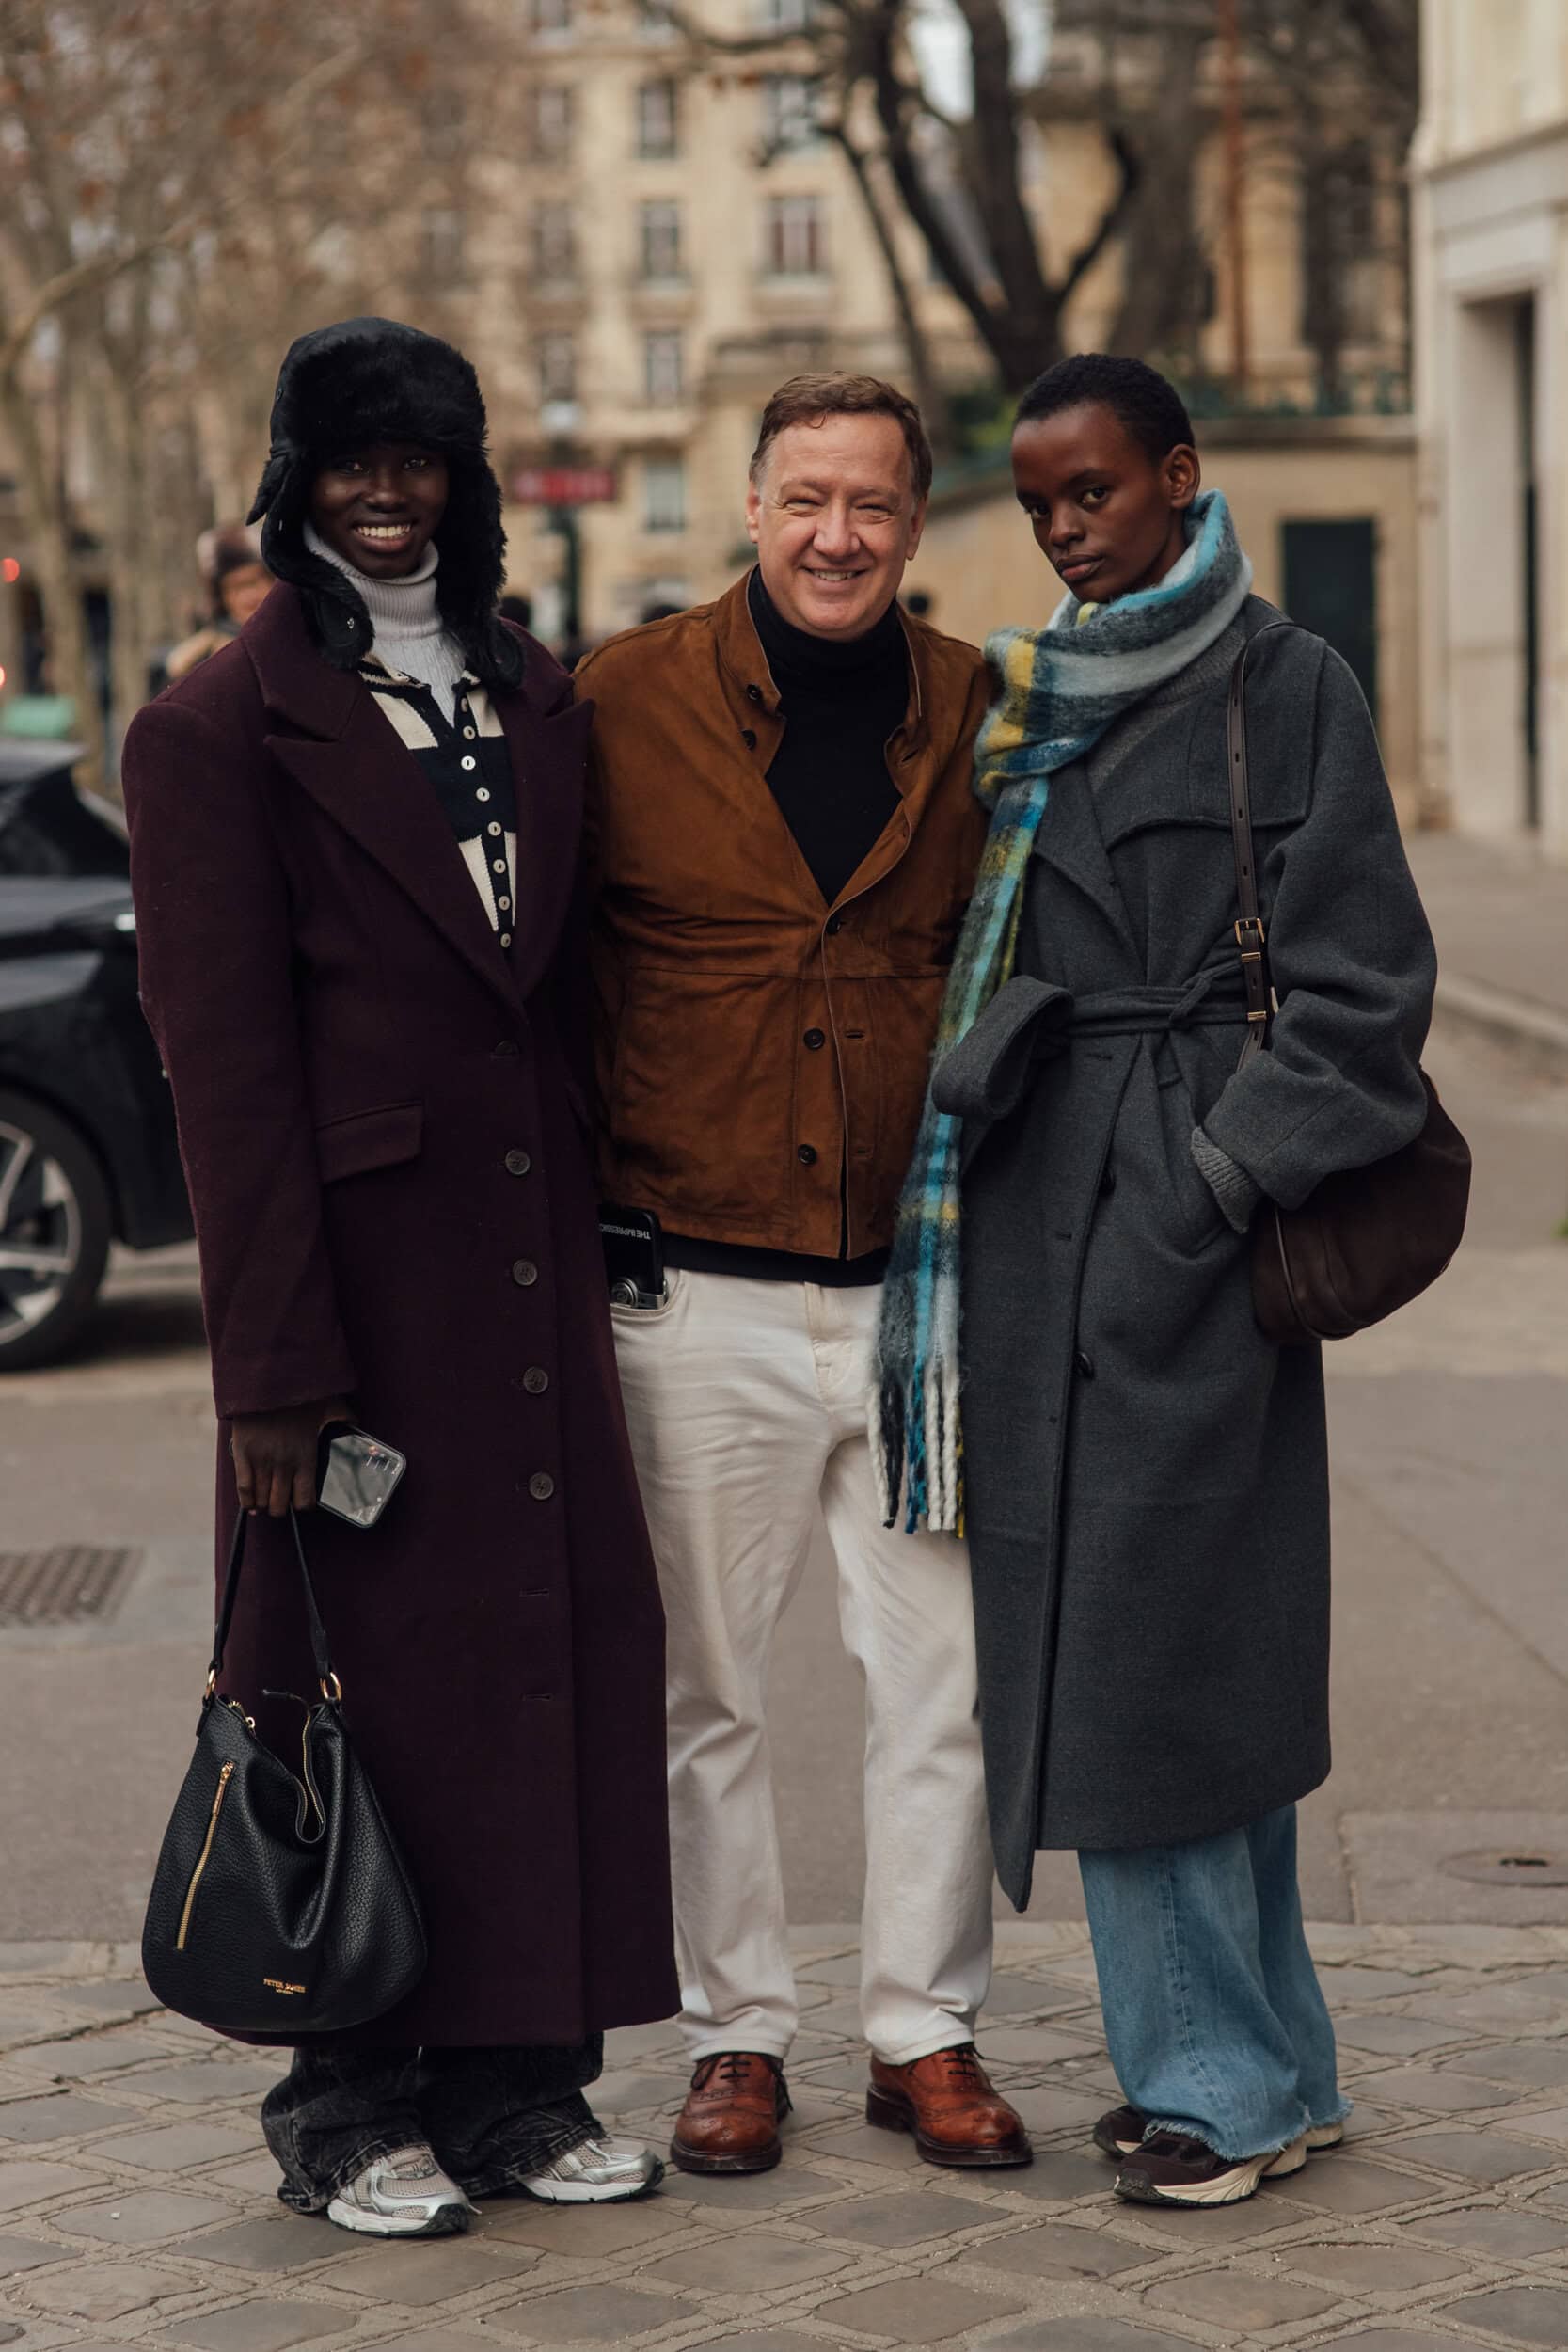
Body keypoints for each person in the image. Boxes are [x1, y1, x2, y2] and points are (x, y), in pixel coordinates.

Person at [122, 318, 677, 2237]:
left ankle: (523, 2079)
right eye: (348, 457)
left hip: (525, 1276)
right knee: (350, 1685)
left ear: (462, 479)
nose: (385, 486)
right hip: (349, 1302)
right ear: (295, 482)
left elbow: (570, 988)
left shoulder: (531, 692)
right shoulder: (211, 728)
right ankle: (346, 2096)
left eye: (419, 457)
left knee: (537, 1661)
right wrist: (271, 1364)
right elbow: (225, 1068)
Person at [877, 354, 1437, 2208]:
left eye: (1090, 491)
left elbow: (1362, 994)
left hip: (1189, 1231)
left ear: (1177, 476)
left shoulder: (1285, 687)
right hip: (1045, 1224)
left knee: (1154, 1675)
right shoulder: (1023, 697)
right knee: (1158, 1663)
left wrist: (1202, 1181)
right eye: (1036, 501)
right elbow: (991, 937)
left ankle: (1212, 2085)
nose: (1058, 527)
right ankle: (1265, 2061)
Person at [576, 372, 1030, 2177]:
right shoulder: (622, 702)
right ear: (748, 505)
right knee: (715, 1693)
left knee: (943, 1681)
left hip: (918, 1302)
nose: (836, 536)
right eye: (803, 500)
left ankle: (921, 2029)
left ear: (913, 527)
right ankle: (736, 2034)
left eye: (872, 505)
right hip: (694, 1290)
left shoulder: (980, 710)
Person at [165, 527, 274, 682]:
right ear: (221, 597)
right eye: (236, 587)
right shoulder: (199, 657)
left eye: (254, 583)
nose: (248, 597)